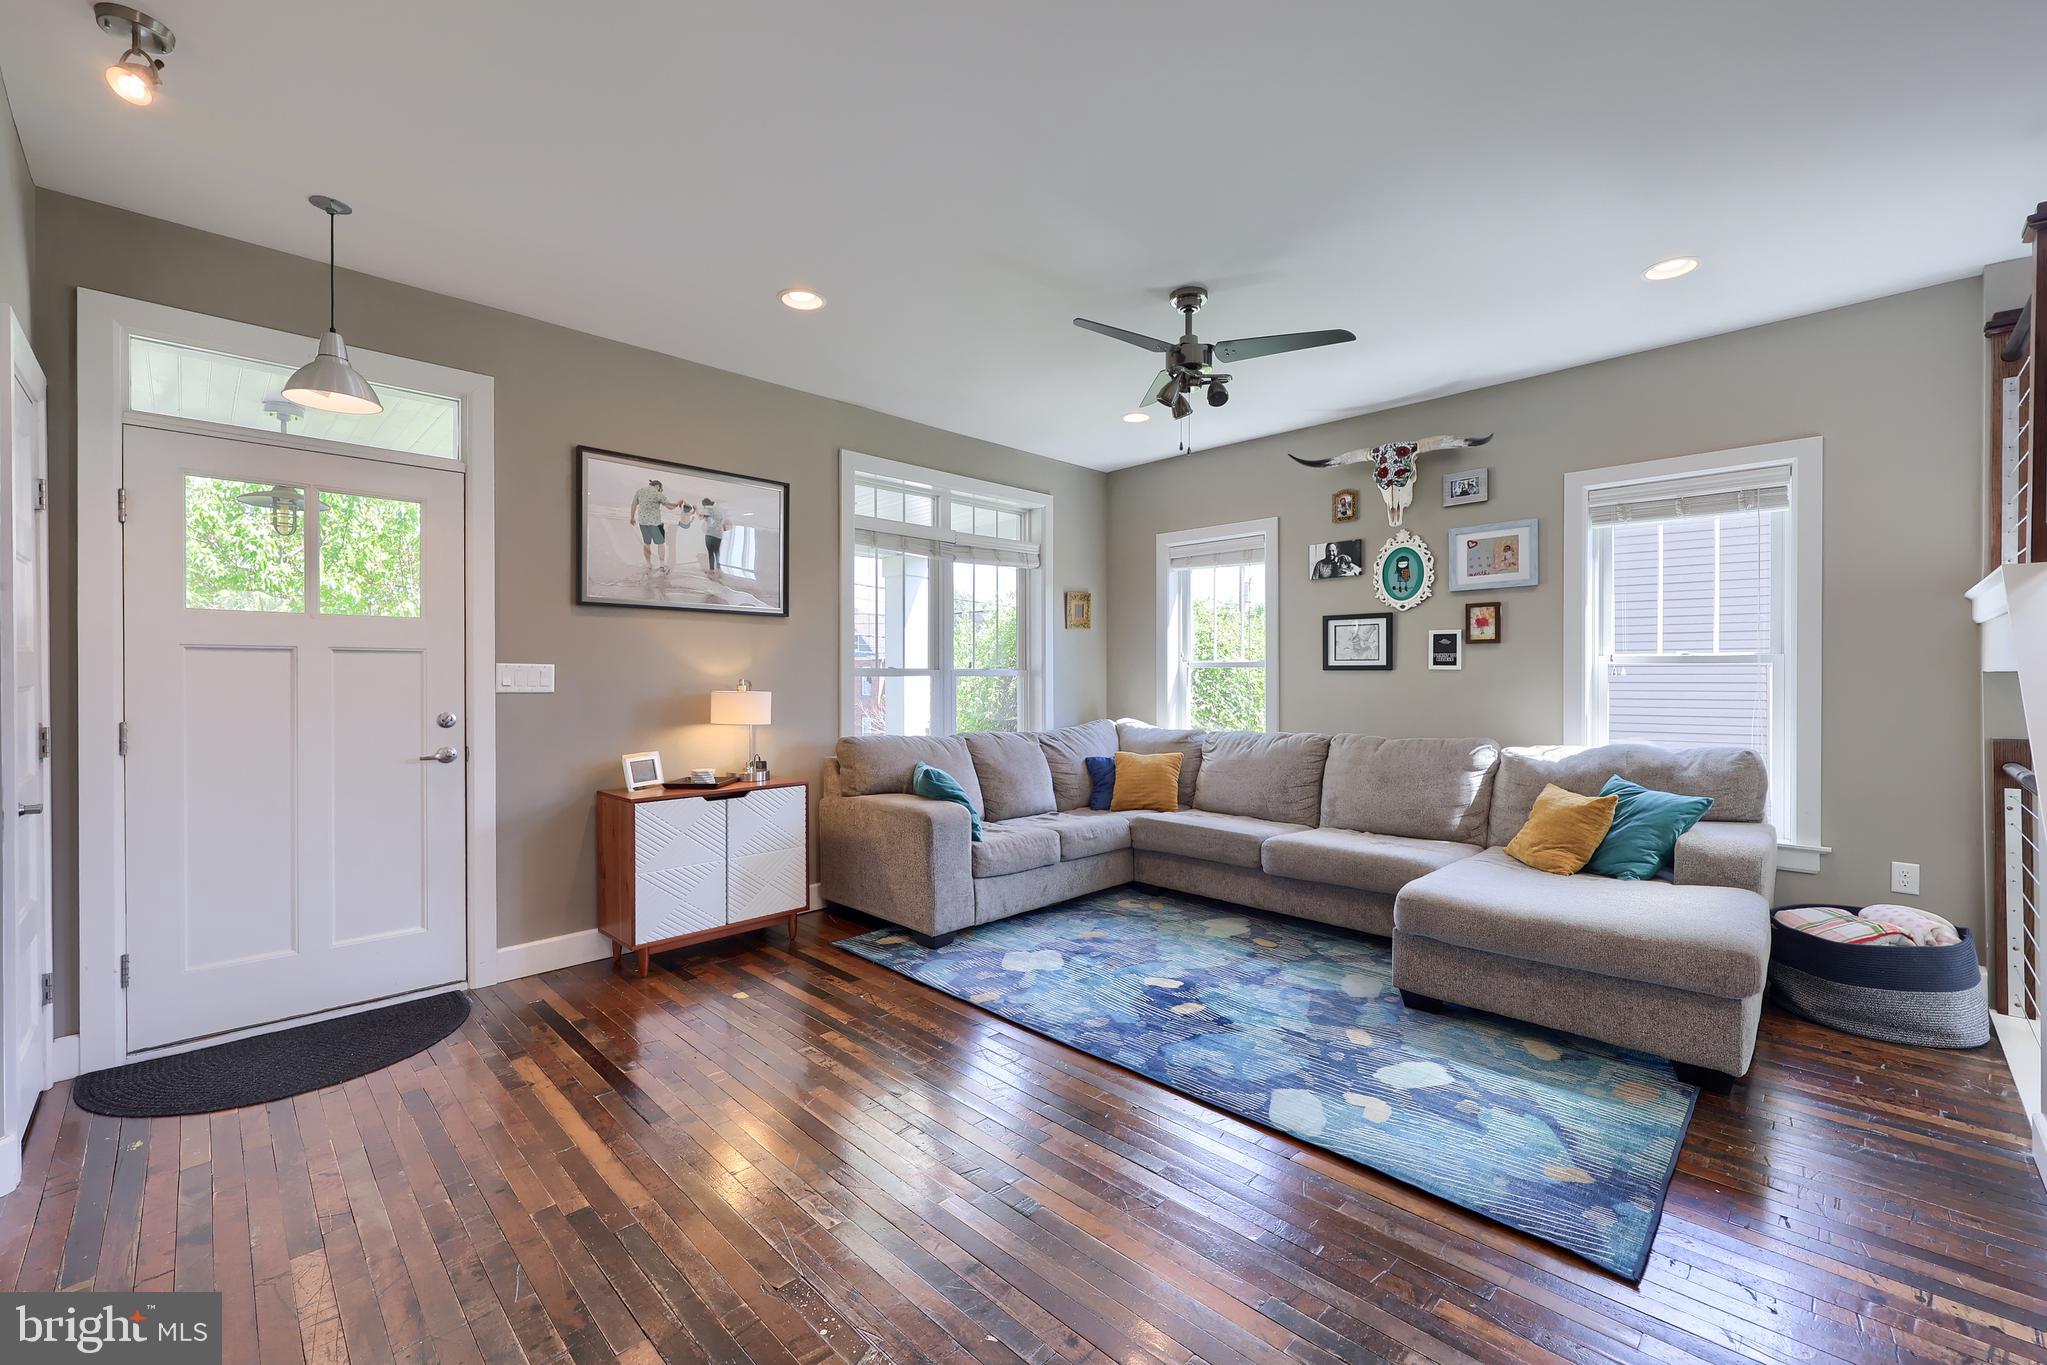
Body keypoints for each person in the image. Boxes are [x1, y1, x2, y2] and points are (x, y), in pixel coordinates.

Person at [627, 479, 674, 573]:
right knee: (660, 543)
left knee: (646, 543)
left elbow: (633, 505)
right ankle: (661, 565)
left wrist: (632, 517)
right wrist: (678, 504)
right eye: (661, 489)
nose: (661, 490)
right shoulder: (658, 494)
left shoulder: (640, 491)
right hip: (656, 523)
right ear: (658, 486)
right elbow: (670, 507)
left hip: (643, 522)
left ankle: (648, 565)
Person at [699, 496, 729, 577]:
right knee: (717, 551)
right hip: (719, 535)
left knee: (711, 552)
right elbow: (721, 520)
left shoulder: (707, 509)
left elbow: (701, 517)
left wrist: (697, 511)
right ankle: (718, 568)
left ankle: (711, 570)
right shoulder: (718, 510)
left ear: (704, 504)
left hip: (710, 534)